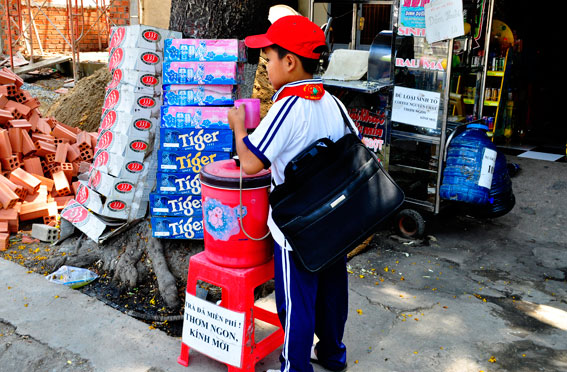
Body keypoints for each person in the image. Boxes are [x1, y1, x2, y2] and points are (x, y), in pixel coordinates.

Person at [228, 15, 354, 372]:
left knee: (296, 302)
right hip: (335, 219)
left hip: (297, 225)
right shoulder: (334, 103)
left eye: (268, 59)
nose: (266, 68)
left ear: (290, 62)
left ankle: (293, 368)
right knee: (332, 293)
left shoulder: (287, 107)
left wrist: (239, 128)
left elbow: (251, 163)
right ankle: (332, 353)